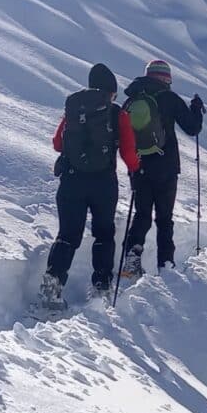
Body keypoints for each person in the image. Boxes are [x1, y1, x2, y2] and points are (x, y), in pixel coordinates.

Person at [41, 64, 140, 308]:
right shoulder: (118, 114)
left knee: (67, 235)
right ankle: (101, 289)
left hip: (72, 181)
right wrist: (136, 169)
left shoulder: (74, 109)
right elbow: (128, 152)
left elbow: (57, 143)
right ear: (111, 92)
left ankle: (51, 289)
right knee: (104, 234)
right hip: (103, 184)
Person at [121, 60, 204, 277]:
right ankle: (165, 264)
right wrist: (196, 109)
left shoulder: (132, 100)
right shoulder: (169, 98)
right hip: (166, 167)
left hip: (138, 166)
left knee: (141, 215)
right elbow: (192, 128)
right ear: (166, 79)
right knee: (164, 218)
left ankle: (132, 259)